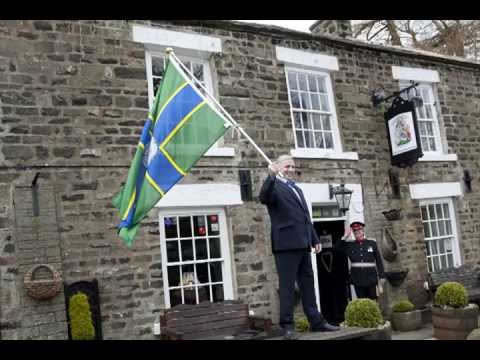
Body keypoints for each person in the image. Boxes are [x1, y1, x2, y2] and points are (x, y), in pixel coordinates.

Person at [259, 155, 339, 340]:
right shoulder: (274, 186)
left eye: (293, 166)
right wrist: (270, 176)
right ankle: (287, 325)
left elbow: (305, 217)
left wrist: (314, 238)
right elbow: (264, 197)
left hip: (304, 243)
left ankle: (316, 321)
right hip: (285, 245)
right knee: (287, 287)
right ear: (278, 167)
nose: (290, 169)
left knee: (308, 284)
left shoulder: (297, 189)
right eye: (287, 166)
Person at [336, 221, 386, 300]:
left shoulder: (372, 243)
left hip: (371, 278)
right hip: (357, 279)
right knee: (361, 302)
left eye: (359, 230)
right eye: (355, 231)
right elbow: (336, 248)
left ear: (363, 230)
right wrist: (345, 236)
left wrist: (382, 275)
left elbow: (378, 260)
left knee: (373, 301)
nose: (357, 232)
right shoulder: (350, 245)